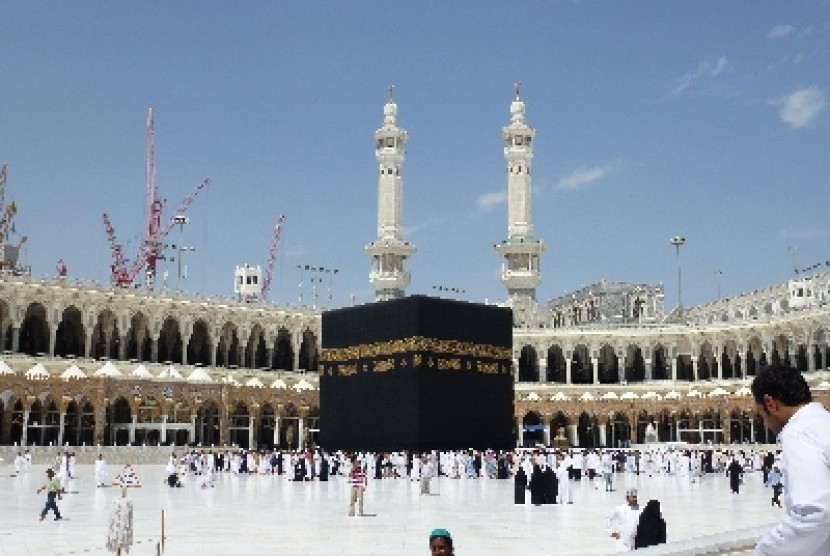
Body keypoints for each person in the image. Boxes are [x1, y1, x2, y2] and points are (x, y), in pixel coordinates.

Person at [753, 363, 830, 556]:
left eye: (762, 414)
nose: (766, 423)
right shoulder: (823, 422)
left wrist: (764, 551)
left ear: (771, 403)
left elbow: (815, 513)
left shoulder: (799, 433)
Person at [607, 488, 641, 552]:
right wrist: (611, 532)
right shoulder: (620, 509)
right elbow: (609, 518)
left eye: (636, 497)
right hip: (622, 544)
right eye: (633, 497)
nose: (635, 499)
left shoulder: (642, 510)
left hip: (637, 544)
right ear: (627, 498)